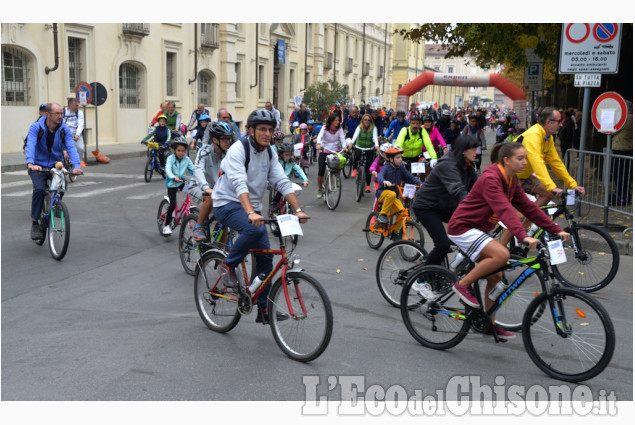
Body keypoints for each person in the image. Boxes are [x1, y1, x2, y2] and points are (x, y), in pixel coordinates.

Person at [446, 142, 570, 340]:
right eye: (520, 159)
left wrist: (555, 229)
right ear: (506, 160)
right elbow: (505, 209)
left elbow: (529, 209)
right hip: (463, 228)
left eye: (525, 158)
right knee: (502, 255)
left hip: (478, 230)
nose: (524, 162)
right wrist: (523, 236)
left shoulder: (511, 181)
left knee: (495, 277)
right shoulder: (491, 178)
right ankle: (463, 284)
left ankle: (488, 325)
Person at [212, 109, 309, 324]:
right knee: (254, 229)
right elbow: (238, 183)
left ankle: (264, 309)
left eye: (270, 129)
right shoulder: (238, 150)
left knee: (266, 259)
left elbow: (281, 181)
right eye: (262, 129)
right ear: (250, 130)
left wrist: (298, 209)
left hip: (251, 208)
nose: (267, 133)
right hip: (227, 202)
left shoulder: (270, 152)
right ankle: (227, 265)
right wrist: (250, 213)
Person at [411, 135, 478, 266]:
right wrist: (473, 209)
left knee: (474, 232)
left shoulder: (467, 165)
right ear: (463, 150)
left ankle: (443, 267)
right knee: (443, 244)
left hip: (445, 206)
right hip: (426, 207)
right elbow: (459, 190)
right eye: (473, 149)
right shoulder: (448, 164)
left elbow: (479, 188)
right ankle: (421, 280)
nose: (477, 152)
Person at [25, 103, 82, 240]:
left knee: (62, 186)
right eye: (57, 114)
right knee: (39, 190)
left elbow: (71, 147)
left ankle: (56, 204)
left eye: (61, 113)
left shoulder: (64, 130)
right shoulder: (36, 128)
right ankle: (35, 224)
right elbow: (30, 144)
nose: (60, 116)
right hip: (38, 165)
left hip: (55, 165)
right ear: (48, 115)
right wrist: (31, 163)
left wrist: (76, 165)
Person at [515, 106, 585, 208]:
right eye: (559, 121)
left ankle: (528, 220)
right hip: (511, 177)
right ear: (549, 123)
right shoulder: (533, 135)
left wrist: (572, 184)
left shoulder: (548, 138)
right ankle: (523, 219)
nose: (561, 124)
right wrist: (552, 187)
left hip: (524, 176)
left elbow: (556, 163)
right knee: (515, 214)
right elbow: (537, 163)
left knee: (547, 195)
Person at [190, 121, 233, 242]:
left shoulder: (229, 154)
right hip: (198, 187)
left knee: (225, 220)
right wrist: (206, 188)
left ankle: (220, 256)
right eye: (224, 139)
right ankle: (198, 227)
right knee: (210, 197)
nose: (227, 141)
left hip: (217, 190)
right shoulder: (204, 151)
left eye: (229, 138)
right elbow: (198, 170)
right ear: (214, 140)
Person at [375, 146, 422, 226]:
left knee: (402, 213)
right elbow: (380, 176)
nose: (400, 159)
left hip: (394, 197)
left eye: (401, 157)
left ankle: (395, 233)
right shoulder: (386, 167)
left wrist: (421, 184)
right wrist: (384, 181)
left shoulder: (401, 168)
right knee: (392, 194)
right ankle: (382, 215)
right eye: (398, 157)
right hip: (382, 193)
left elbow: (410, 177)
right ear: (391, 159)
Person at [162, 137, 195, 235]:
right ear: (174, 150)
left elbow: (193, 170)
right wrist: (173, 177)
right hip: (172, 183)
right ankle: (166, 225)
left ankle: (187, 210)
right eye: (178, 150)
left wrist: (199, 178)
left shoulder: (187, 159)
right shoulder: (170, 159)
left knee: (192, 191)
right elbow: (167, 169)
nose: (181, 153)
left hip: (181, 182)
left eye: (183, 151)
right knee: (172, 204)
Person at [315, 111, 351, 198]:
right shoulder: (325, 128)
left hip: (335, 151)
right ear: (331, 121)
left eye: (338, 120)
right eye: (335, 120)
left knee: (340, 162)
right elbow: (319, 136)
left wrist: (344, 147)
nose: (337, 122)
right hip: (324, 150)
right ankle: (320, 189)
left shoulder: (340, 129)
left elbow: (342, 139)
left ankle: (337, 177)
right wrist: (319, 144)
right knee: (321, 171)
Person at [270, 141, 309, 211]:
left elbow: (299, 170)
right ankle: (274, 202)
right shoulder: (276, 162)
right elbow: (270, 172)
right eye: (286, 155)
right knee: (281, 189)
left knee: (291, 192)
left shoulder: (291, 162)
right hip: (277, 181)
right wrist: (268, 182)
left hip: (287, 182)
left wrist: (305, 180)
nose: (288, 157)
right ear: (281, 154)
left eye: (289, 155)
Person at [609, 99, 633, 206]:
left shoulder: (627, 119)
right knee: (624, 174)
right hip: (626, 149)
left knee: (619, 174)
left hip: (621, 150)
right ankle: (624, 195)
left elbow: (613, 129)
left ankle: (621, 196)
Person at [350, 113, 380, 193]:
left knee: (369, 167)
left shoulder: (374, 128)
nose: (367, 121)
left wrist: (377, 146)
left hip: (369, 148)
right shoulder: (359, 127)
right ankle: (355, 169)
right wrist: (351, 143)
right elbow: (355, 136)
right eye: (365, 120)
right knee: (356, 155)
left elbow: (375, 138)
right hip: (359, 146)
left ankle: (367, 185)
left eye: (369, 120)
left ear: (371, 121)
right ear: (362, 120)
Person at [61, 98, 86, 167]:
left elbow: (81, 124)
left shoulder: (79, 113)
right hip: (66, 133)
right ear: (69, 106)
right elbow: (61, 123)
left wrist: (77, 134)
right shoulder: (63, 112)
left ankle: (77, 162)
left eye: (78, 105)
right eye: (76, 106)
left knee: (80, 148)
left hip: (76, 133)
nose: (77, 107)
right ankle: (64, 162)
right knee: (63, 149)